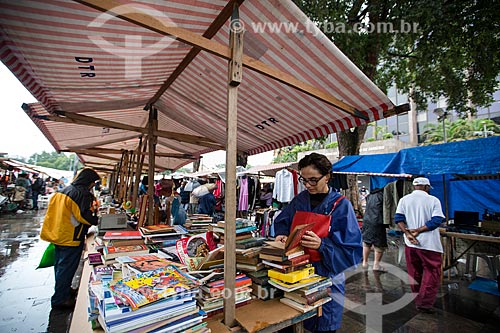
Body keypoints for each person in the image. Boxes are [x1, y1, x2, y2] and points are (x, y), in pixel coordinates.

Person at [274, 153, 362, 333]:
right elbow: (282, 221)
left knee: (324, 322)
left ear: (328, 176)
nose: (307, 185)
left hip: (327, 275)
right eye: (304, 180)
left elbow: (352, 250)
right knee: (294, 316)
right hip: (297, 273)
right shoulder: (299, 200)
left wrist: (322, 245)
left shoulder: (341, 206)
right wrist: (282, 235)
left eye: (313, 180)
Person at [40, 168, 100, 309]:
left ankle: (64, 291)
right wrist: (96, 220)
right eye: (93, 182)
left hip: (58, 233)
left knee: (60, 266)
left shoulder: (64, 190)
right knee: (66, 268)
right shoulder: (81, 193)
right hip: (71, 236)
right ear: (88, 181)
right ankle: (60, 299)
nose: (93, 185)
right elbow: (83, 216)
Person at [394, 177, 445, 314]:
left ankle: (417, 298)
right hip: (429, 244)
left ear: (415, 186)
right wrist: (419, 230)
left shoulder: (404, 200)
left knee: (414, 272)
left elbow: (398, 219)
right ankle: (424, 303)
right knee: (431, 272)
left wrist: (408, 233)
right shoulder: (433, 200)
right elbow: (436, 220)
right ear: (426, 187)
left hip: (410, 243)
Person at [361, 188, 387, 271]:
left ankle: (365, 262)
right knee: (379, 244)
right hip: (377, 221)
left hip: (367, 220)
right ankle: (376, 265)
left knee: (366, 242)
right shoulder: (383, 195)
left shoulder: (369, 195)